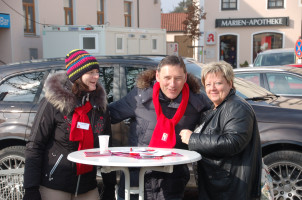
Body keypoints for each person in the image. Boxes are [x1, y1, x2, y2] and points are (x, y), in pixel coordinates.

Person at [108, 55, 211, 200]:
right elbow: (105, 115)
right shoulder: (139, 97)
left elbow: (219, 116)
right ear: (157, 76)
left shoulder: (197, 103)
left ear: (186, 77)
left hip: (171, 184)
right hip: (136, 180)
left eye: (178, 78)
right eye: (167, 77)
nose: (172, 84)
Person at [23, 49, 116, 200]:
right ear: (78, 75)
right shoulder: (52, 103)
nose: (97, 76)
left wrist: (110, 186)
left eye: (97, 72)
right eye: (91, 72)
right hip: (55, 184)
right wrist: (31, 188)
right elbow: (35, 145)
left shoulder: (99, 107)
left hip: (87, 185)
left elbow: (107, 149)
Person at [179, 61, 262, 200]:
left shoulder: (236, 107)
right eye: (208, 84)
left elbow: (232, 142)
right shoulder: (216, 107)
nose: (212, 88)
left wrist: (192, 138)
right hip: (219, 184)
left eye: (218, 83)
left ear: (230, 83)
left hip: (230, 189)